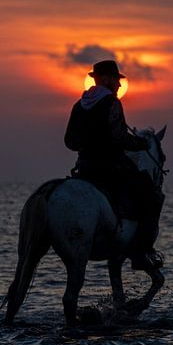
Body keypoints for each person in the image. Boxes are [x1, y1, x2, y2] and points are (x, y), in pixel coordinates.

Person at [64, 60, 164, 270]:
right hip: (110, 167)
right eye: (116, 80)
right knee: (152, 196)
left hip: (84, 168)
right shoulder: (112, 103)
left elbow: (69, 142)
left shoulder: (79, 105)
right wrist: (141, 143)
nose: (119, 86)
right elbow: (120, 138)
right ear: (107, 79)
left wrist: (89, 141)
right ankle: (141, 253)